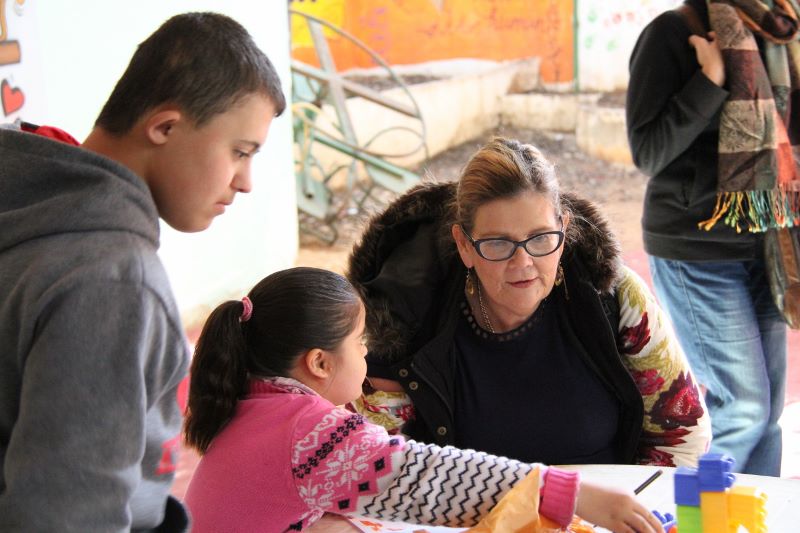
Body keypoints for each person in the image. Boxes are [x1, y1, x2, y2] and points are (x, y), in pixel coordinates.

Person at [0, 12, 285, 531]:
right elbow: (68, 516)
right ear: (165, 126)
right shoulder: (111, 280)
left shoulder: (29, 210)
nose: (245, 181)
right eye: (239, 151)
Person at [182, 266, 665, 532]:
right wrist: (574, 494)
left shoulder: (251, 405)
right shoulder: (309, 433)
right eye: (359, 345)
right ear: (320, 364)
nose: (368, 355)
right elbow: (428, 476)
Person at [347, 137, 711, 470]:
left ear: (564, 230)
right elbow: (376, 460)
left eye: (540, 239)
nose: (522, 263)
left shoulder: (615, 297)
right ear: (463, 245)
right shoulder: (405, 316)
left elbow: (682, 435)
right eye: (498, 244)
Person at [626, 0, 797, 475]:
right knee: (741, 409)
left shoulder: (784, 33)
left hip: (769, 244)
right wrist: (710, 80)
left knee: (766, 414)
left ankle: (752, 518)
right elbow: (648, 151)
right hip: (697, 251)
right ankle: (699, 516)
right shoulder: (672, 33)